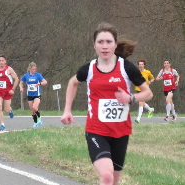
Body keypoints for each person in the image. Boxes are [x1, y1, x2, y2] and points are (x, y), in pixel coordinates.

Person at [61, 22, 153, 185]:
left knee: (113, 181)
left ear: (115, 45)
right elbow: (72, 82)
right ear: (94, 45)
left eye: (109, 42)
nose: (104, 46)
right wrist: (67, 110)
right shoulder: (88, 69)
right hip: (96, 130)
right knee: (107, 176)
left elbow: (148, 93)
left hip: (121, 131)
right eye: (100, 42)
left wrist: (130, 98)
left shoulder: (126, 67)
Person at [0, 54, 19, 131]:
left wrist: (13, 89)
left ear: (5, 61)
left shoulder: (9, 69)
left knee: (6, 109)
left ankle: (10, 110)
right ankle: (2, 124)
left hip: (8, 92)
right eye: (0, 61)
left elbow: (16, 79)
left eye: (2, 60)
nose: (1, 62)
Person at [19, 62, 47, 128]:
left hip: (37, 94)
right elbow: (21, 82)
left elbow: (45, 82)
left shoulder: (38, 75)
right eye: (33, 69)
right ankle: (35, 123)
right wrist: (21, 87)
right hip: (30, 94)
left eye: (35, 69)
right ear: (29, 69)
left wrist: (39, 84)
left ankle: (39, 118)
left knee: (35, 107)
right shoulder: (26, 75)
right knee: (32, 110)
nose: (34, 71)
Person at [134, 59, 155, 123]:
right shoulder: (136, 71)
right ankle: (150, 109)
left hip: (145, 90)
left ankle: (138, 118)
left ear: (144, 65)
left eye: (141, 64)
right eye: (139, 64)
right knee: (141, 103)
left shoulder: (147, 72)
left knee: (140, 103)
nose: (140, 65)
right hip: (138, 89)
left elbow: (152, 78)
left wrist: (150, 81)